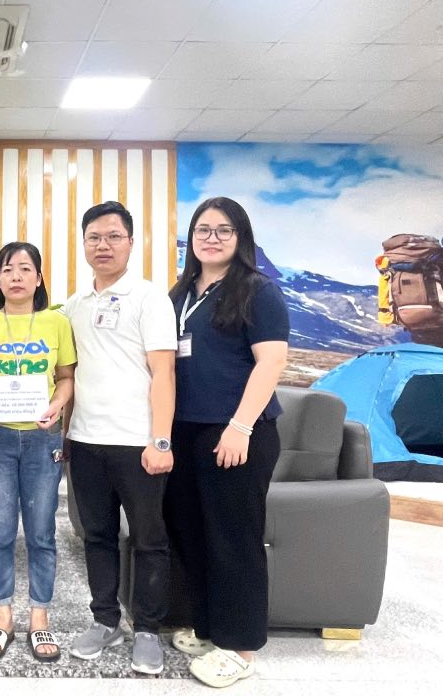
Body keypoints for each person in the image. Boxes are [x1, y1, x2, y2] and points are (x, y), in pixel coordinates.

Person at [164, 196, 289, 688]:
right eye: (202, 229)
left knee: (234, 539)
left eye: (223, 229)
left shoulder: (257, 291)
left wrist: (240, 427)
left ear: (241, 238)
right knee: (192, 534)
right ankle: (210, 627)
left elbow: (271, 362)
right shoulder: (180, 293)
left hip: (236, 433)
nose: (211, 237)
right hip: (185, 432)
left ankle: (240, 647)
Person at [63, 202, 177, 674]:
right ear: (84, 243)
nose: (103, 245)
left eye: (113, 236)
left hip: (139, 444)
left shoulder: (150, 298)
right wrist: (64, 435)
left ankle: (147, 629)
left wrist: (162, 440)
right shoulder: (73, 304)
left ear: (131, 242)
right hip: (86, 442)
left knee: (149, 539)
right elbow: (67, 375)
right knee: (98, 537)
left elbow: (164, 372)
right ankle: (105, 619)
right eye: (94, 237)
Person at [0, 242, 76, 663]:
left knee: (42, 532)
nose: (16, 276)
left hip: (43, 439)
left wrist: (57, 405)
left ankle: (39, 618)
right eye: (8, 269)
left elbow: (65, 377)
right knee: (0, 530)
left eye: (25, 269)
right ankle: (3, 613)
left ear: (39, 278)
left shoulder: (56, 323)